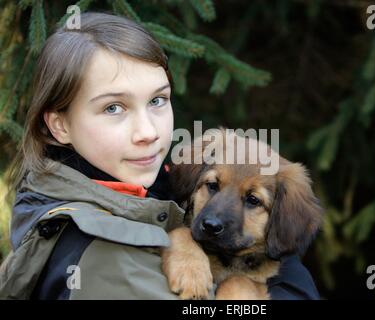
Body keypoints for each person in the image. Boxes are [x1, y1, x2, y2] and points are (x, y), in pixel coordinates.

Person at [0, 12, 320, 300]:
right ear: (60, 125)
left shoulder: (151, 189)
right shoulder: (100, 255)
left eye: (157, 101)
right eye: (113, 108)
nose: (148, 132)